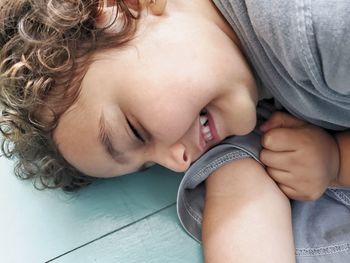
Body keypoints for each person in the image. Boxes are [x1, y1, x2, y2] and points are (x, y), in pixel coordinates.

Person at [0, 0, 350, 262]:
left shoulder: (319, 28)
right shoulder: (223, 75)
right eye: (149, 166)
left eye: (136, 133)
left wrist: (337, 161)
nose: (179, 162)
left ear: (126, 10)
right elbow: (241, 202)